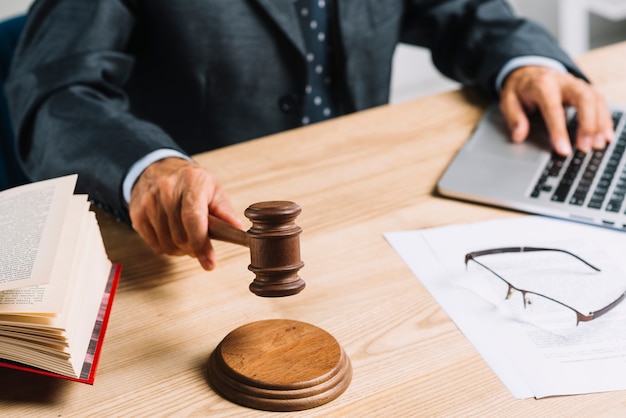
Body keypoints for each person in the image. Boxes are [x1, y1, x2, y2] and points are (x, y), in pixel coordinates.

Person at [5, 0, 613, 271]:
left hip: (363, 214)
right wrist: (148, 167)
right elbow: (53, 91)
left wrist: (529, 66)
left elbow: (468, 11)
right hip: (207, 240)